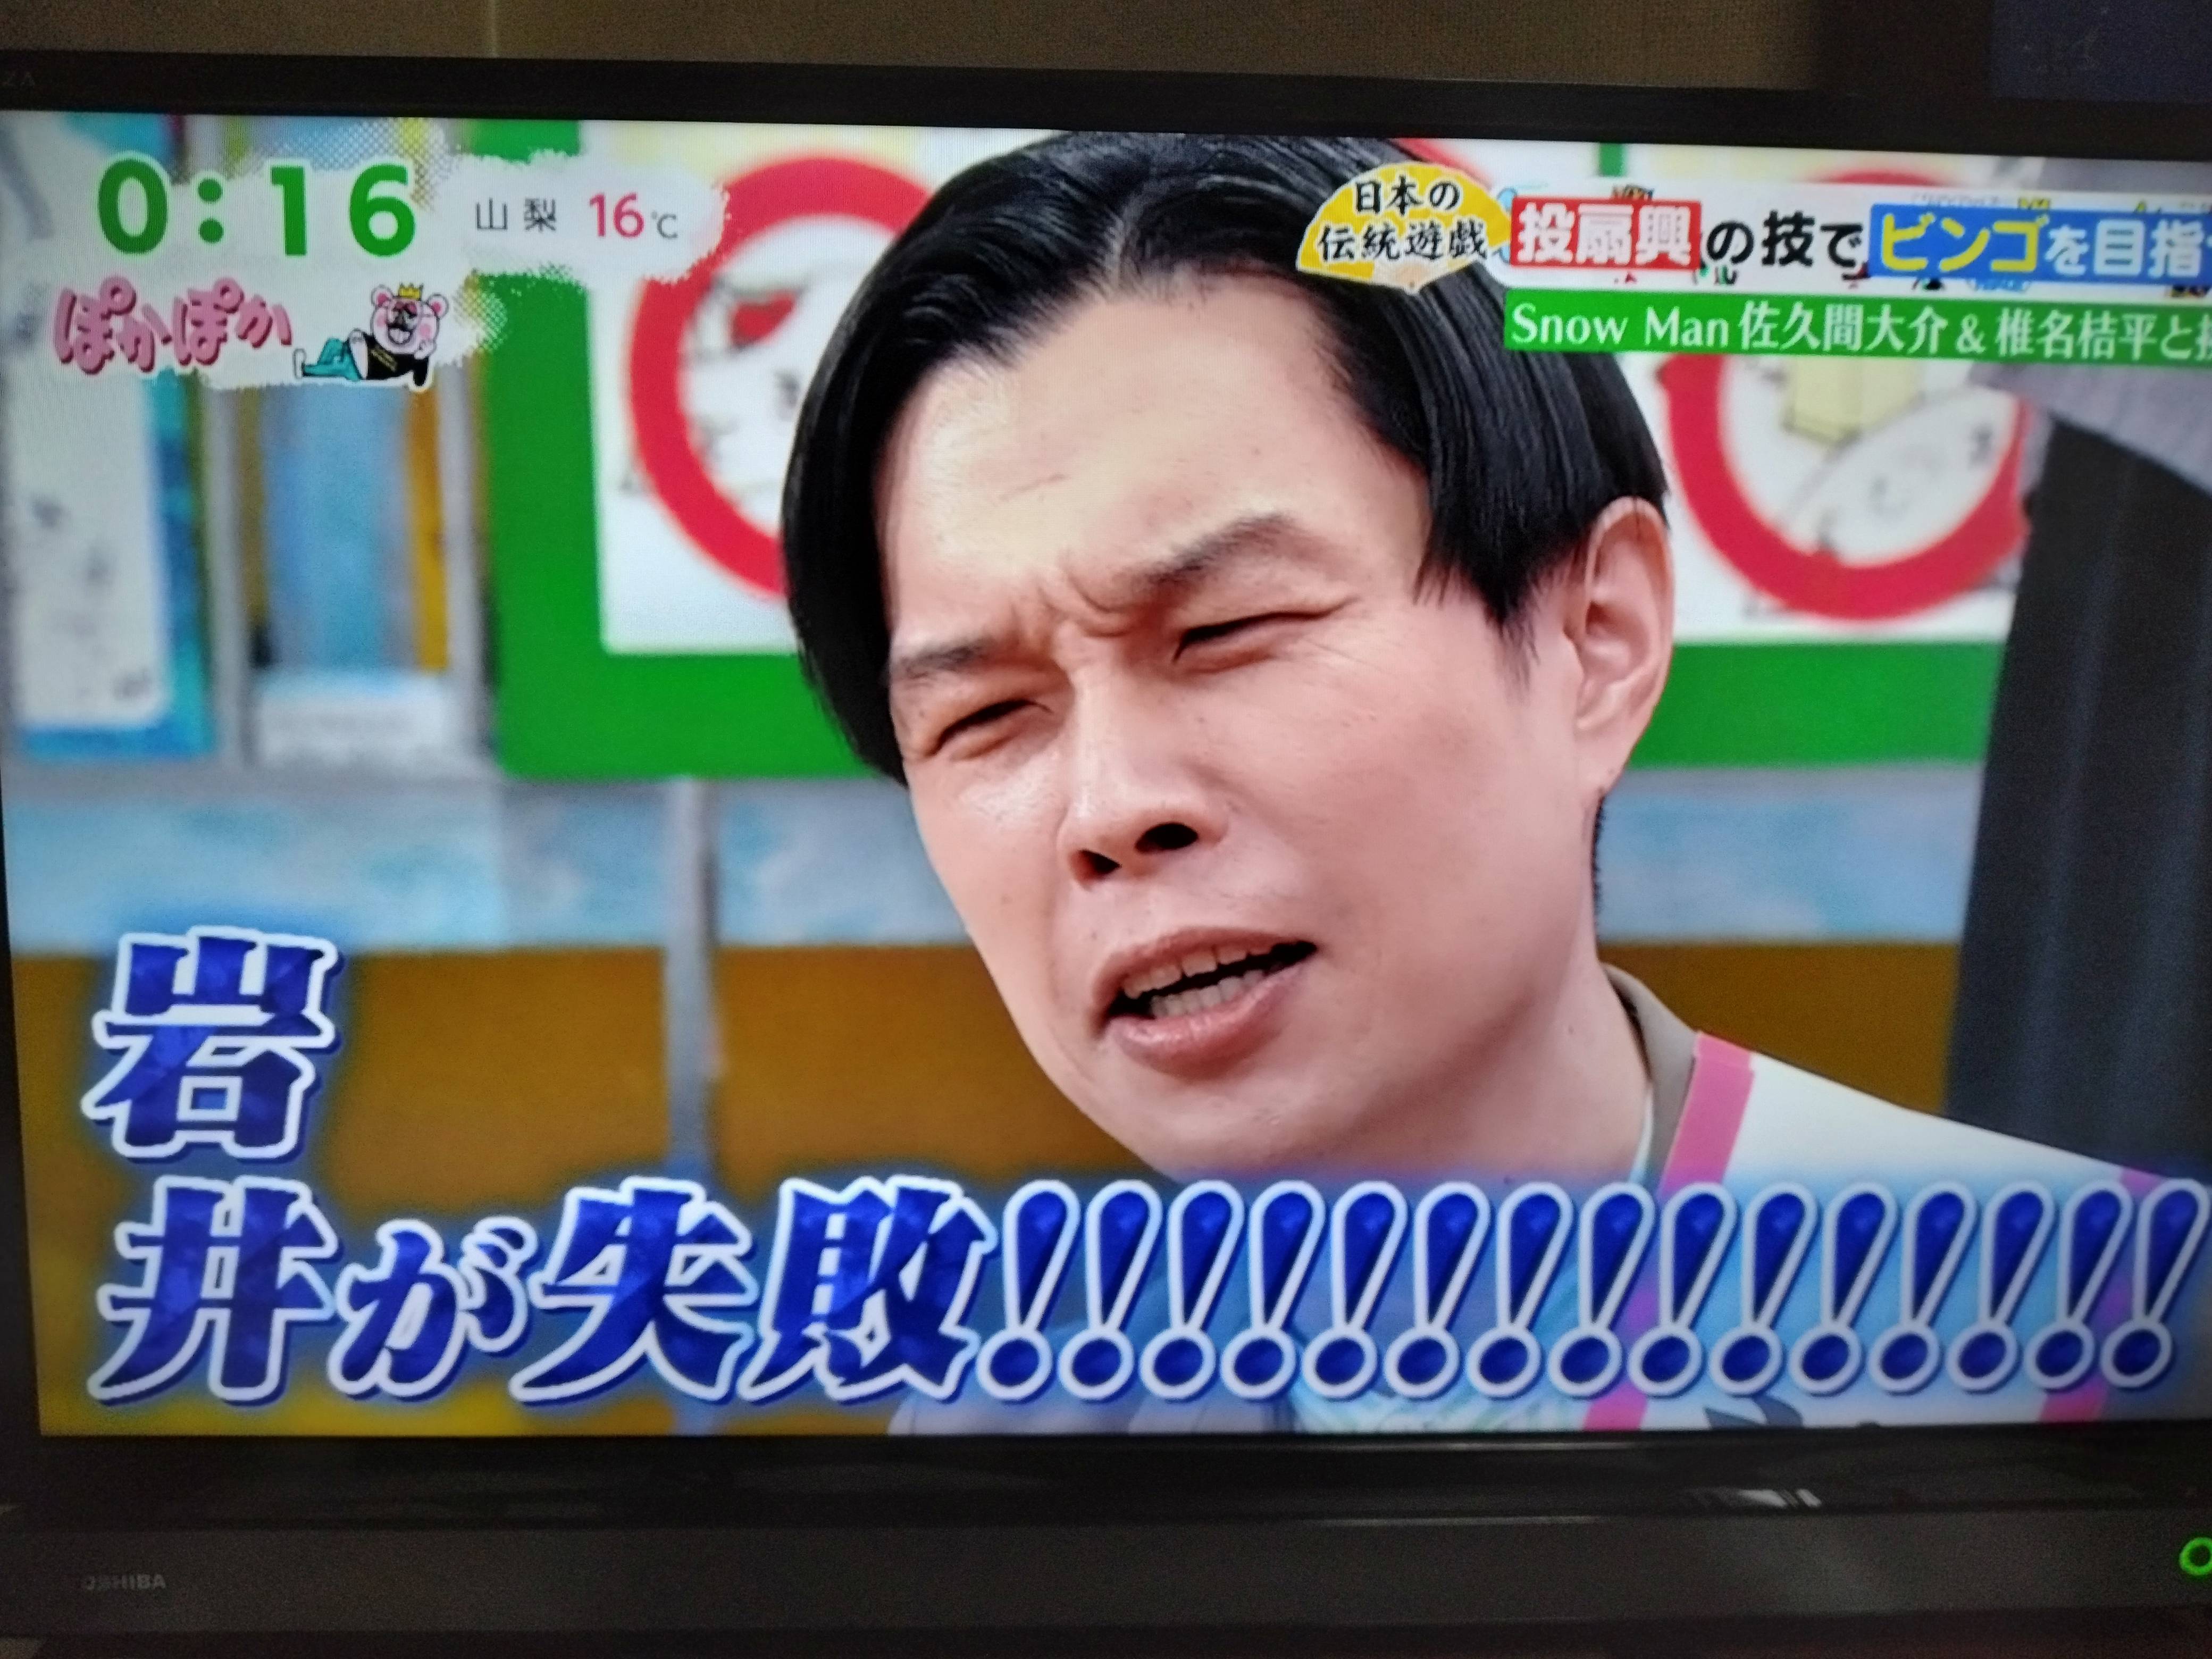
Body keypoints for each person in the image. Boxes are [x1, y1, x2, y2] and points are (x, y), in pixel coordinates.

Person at [777, 132, 2189, 1430]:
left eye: (1226, 632)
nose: (1110, 810)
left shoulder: (2101, 1340)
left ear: (1596, 640)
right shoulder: (988, 1436)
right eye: (986, 716)